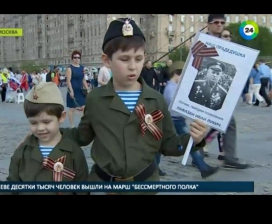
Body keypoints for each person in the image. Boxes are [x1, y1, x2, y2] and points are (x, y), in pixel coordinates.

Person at [71, 18, 207, 193]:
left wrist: (194, 140)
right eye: (125, 59)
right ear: (106, 60)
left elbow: (169, 144)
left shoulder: (156, 99)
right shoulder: (96, 99)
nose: (133, 67)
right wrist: (49, 131)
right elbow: (82, 136)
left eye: (138, 58)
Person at [0, 82, 89, 195]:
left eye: (46, 122)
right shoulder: (23, 152)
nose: (40, 128)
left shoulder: (74, 152)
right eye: (33, 123)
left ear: (62, 117)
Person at [204, 15, 248, 169]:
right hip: (205, 87)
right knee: (205, 123)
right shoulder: (204, 40)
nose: (219, 25)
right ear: (209, 24)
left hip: (220, 88)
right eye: (216, 22)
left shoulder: (225, 43)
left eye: (222, 23)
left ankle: (226, 156)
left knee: (225, 123)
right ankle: (199, 152)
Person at [164, 62, 218, 178]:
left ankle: (203, 167)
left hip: (177, 119)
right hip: (175, 120)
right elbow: (175, 104)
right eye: (181, 75)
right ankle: (203, 168)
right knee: (190, 144)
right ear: (175, 74)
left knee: (162, 144)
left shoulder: (173, 87)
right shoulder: (170, 88)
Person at [66, 50, 89, 127]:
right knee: (72, 109)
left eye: (78, 57)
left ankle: (83, 124)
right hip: (72, 90)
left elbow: (83, 79)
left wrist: (87, 89)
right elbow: (68, 81)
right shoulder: (70, 68)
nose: (77, 59)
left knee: (84, 107)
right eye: (75, 57)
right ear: (72, 58)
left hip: (80, 91)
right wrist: (71, 91)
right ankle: (72, 125)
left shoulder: (82, 68)